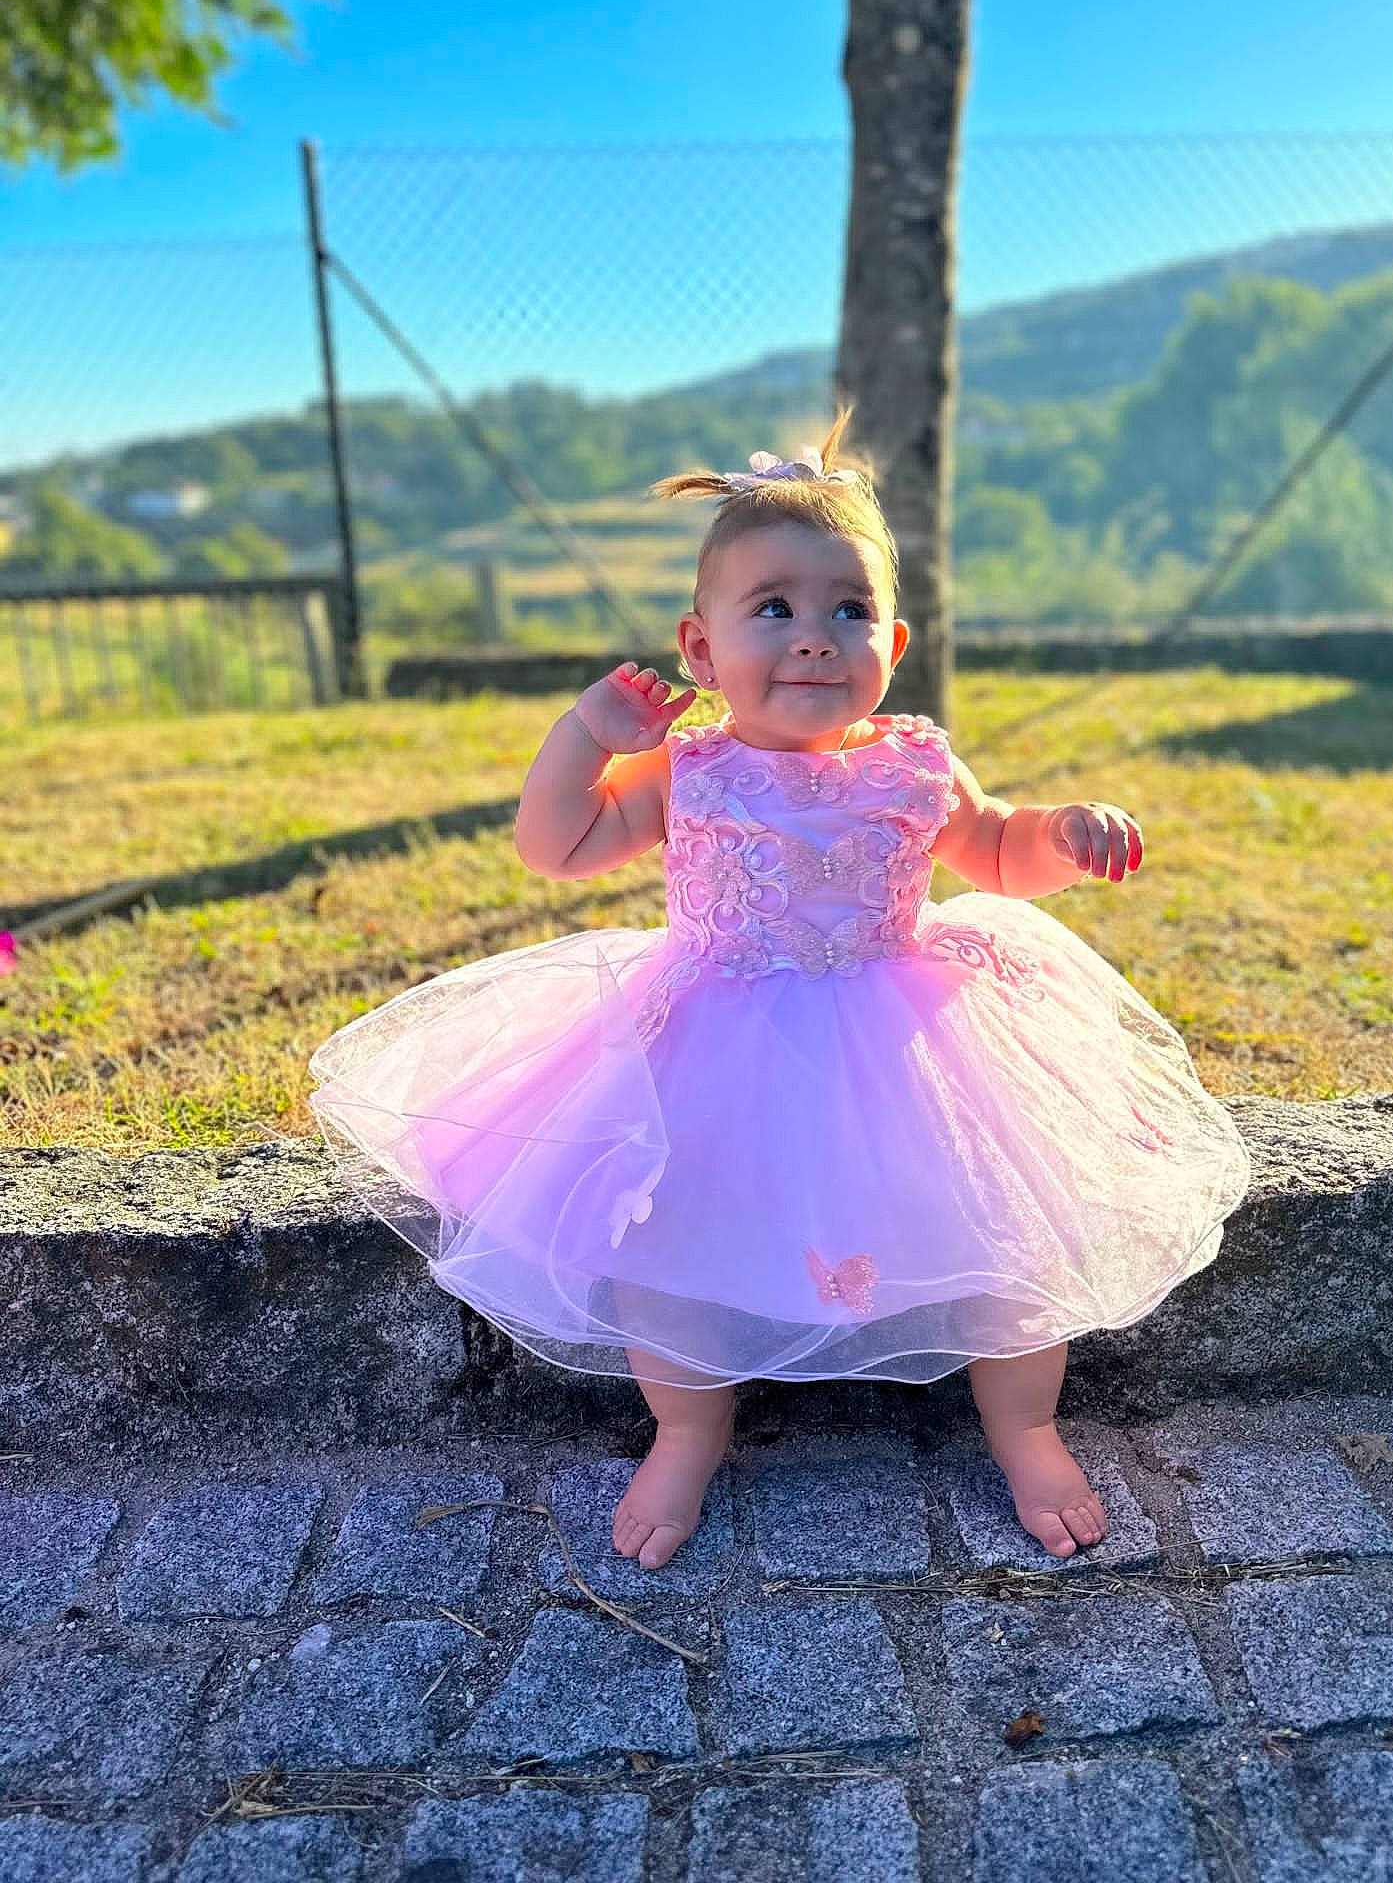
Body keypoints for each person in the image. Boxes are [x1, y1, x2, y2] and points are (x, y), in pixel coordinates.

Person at [309, 406, 1252, 1573]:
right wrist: (582, 737)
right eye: (774, 608)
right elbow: (556, 846)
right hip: (715, 1040)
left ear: (892, 643)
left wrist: (1062, 829)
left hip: (912, 1046)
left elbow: (998, 851)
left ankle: (1026, 1423)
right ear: (701, 651)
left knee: (1008, 1237)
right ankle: (689, 1429)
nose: (814, 637)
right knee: (676, 1252)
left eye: (847, 609)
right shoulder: (683, 767)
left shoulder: (913, 760)